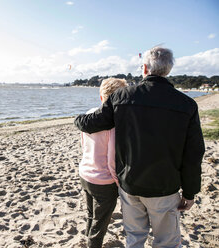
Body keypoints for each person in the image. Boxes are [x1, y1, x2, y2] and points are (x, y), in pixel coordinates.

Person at [74, 46, 205, 248]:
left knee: (134, 238)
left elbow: (94, 122)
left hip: (131, 183)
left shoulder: (122, 97)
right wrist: (190, 192)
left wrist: (78, 120)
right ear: (168, 70)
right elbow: (193, 154)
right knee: (167, 242)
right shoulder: (186, 104)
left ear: (144, 69)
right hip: (165, 186)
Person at [79, 78, 127, 248]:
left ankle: (87, 240)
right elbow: (112, 159)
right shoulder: (114, 124)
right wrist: (117, 182)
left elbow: (84, 145)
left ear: (101, 97)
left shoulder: (90, 114)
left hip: (85, 173)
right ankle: (92, 244)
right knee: (100, 223)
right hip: (104, 180)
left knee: (91, 214)